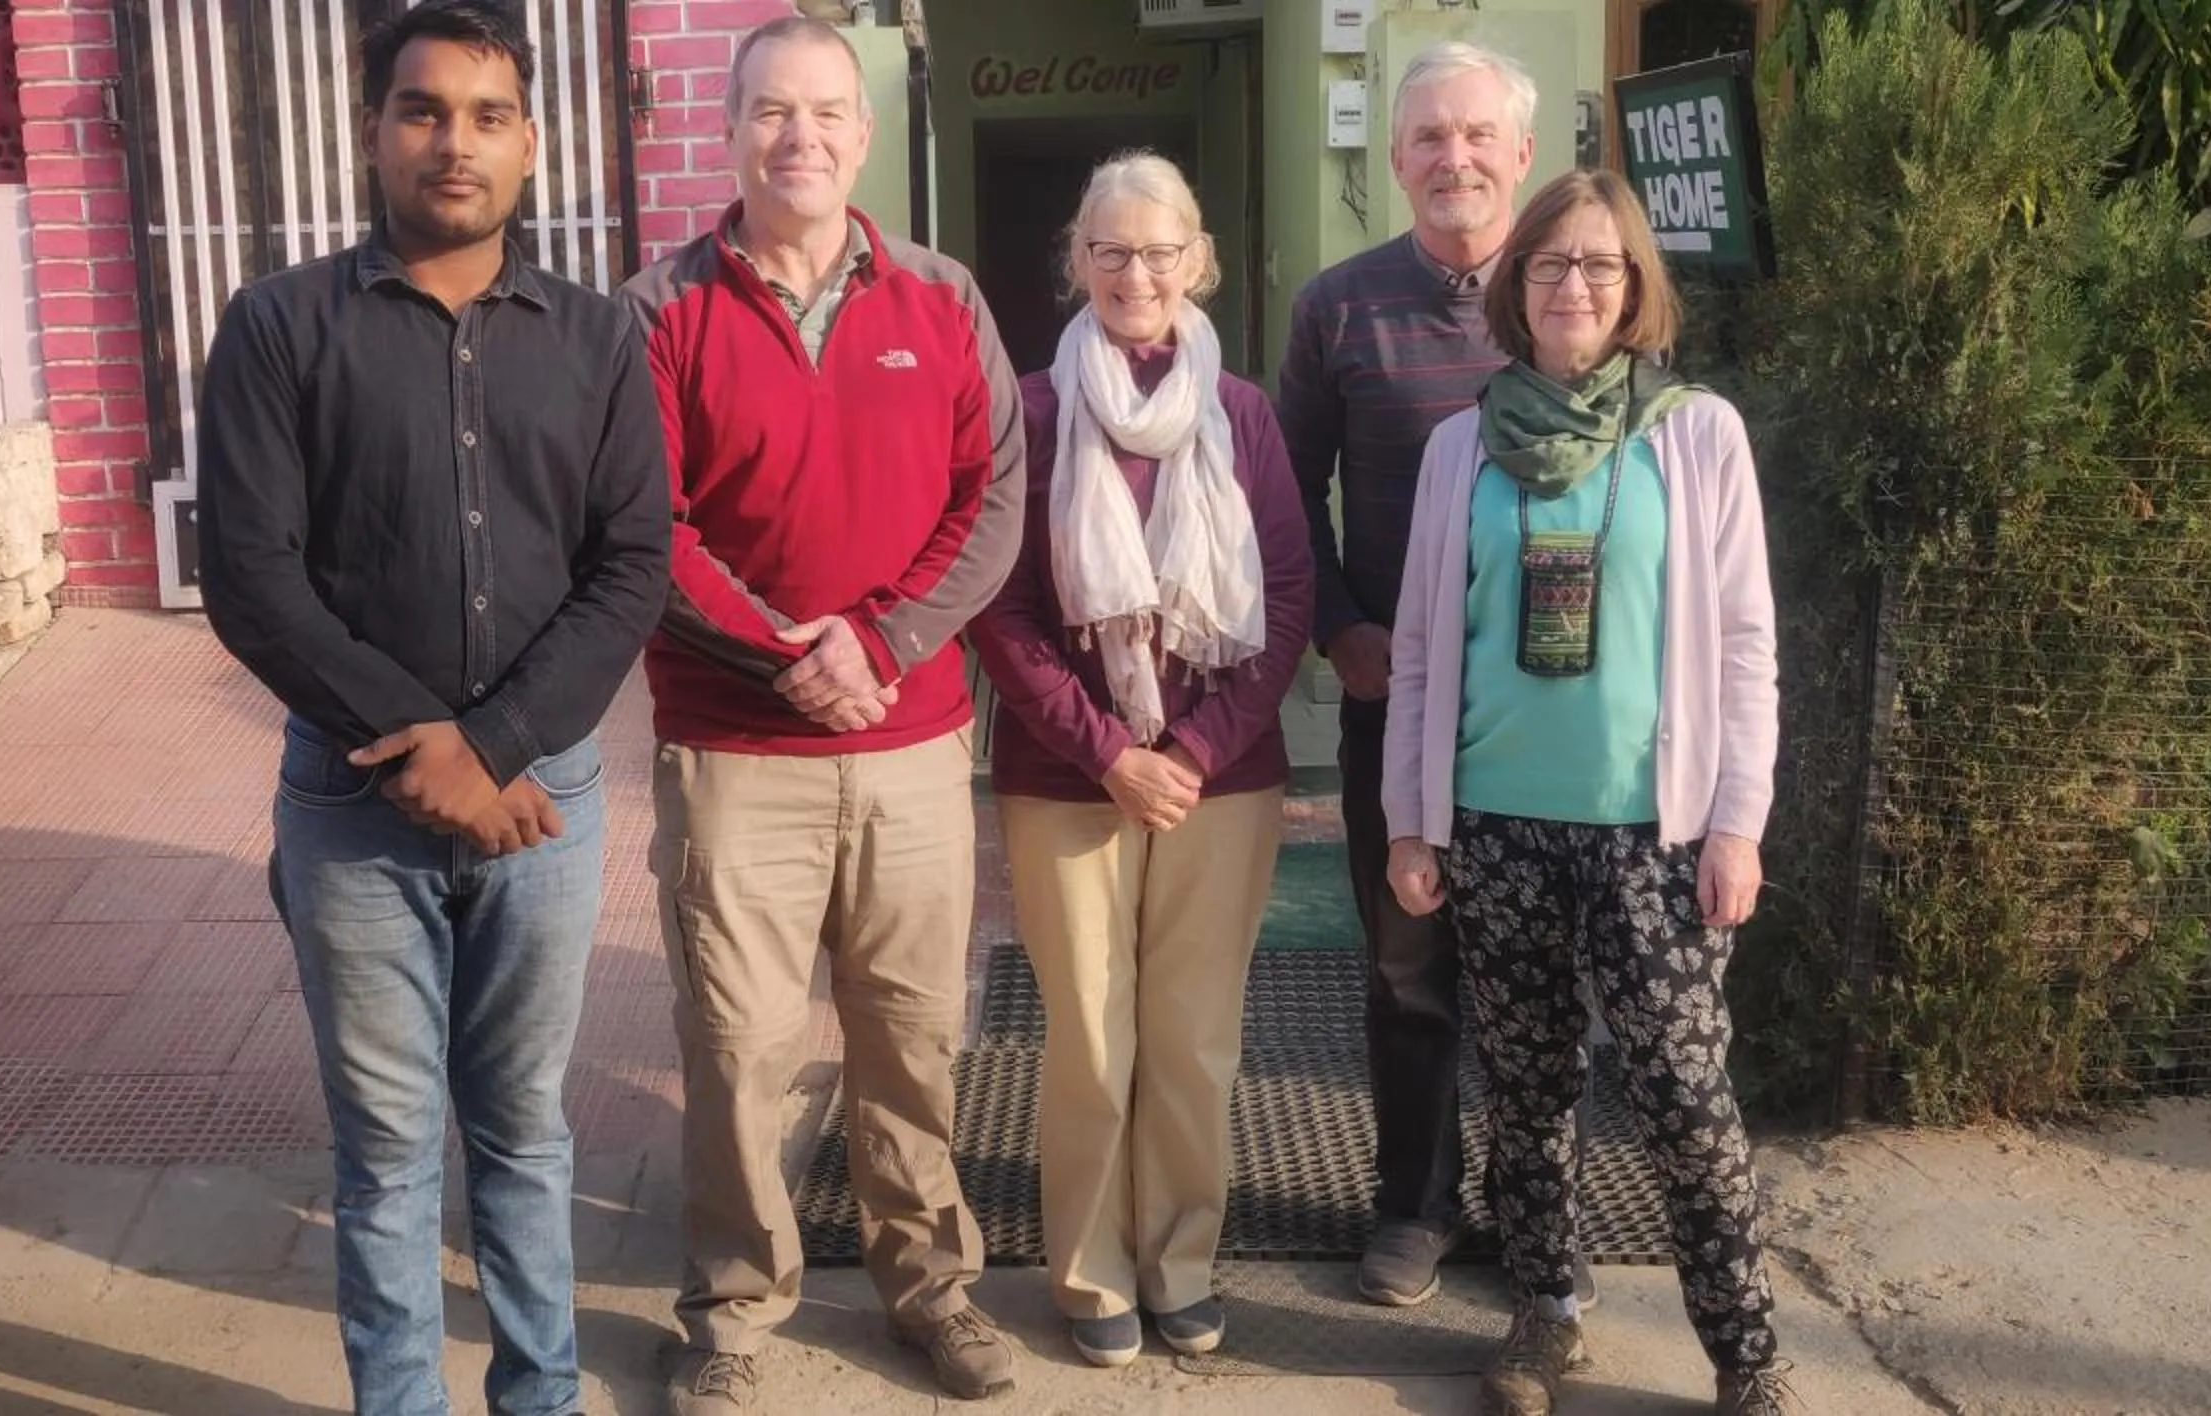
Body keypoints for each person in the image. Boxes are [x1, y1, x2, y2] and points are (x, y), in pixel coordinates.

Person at [192, 4, 671, 1413]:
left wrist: (499, 746)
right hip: (352, 806)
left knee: (524, 1130)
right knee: (388, 1145)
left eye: (485, 114)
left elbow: (631, 561)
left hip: (546, 804)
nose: (451, 141)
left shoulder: (594, 338)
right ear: (371, 130)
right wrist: (429, 754)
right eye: (421, 109)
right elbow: (251, 576)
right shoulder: (280, 327)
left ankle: (542, 1395)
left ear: (530, 144)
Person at [616, 15, 1027, 1413]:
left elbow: (993, 498)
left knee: (908, 1030)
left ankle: (931, 1288)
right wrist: (782, 654)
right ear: (728, 131)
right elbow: (641, 524)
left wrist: (885, 636)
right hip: (735, 750)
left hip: (911, 742)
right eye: (769, 113)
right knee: (738, 1045)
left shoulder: (942, 296)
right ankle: (732, 1313)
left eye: (825, 114)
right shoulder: (658, 306)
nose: (798, 138)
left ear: (864, 133)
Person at [1380, 168, 1795, 1416]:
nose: (1575, 286)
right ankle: (1545, 1314)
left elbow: (1745, 642)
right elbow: (1415, 648)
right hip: (1499, 828)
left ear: (1634, 293)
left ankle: (1749, 1356)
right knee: (1528, 1088)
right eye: (1552, 264)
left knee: (1683, 1096)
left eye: (1601, 267)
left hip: (1653, 841)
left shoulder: (1696, 433)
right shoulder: (1461, 445)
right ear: (1519, 287)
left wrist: (1738, 821)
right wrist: (1413, 817)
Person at [965, 152, 1313, 1369]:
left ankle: (1180, 1261)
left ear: (1198, 262)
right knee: (1092, 1037)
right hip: (1069, 778)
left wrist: (1198, 750)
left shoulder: (1246, 416)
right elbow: (1000, 612)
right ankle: (1091, 1271)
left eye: (1160, 251)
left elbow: (1287, 593)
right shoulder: (1032, 410)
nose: (1136, 273)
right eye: (1109, 250)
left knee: (1192, 1035)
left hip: (1226, 778)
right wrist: (1114, 751)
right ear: (1076, 263)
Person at [1275, 39, 1537, 1308]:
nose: (1455, 158)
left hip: (1553, 714)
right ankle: (1414, 1208)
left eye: (1478, 135)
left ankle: (1536, 1211)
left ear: (1524, 155)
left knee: (1542, 968)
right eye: (1429, 137)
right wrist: (1339, 628)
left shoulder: (1570, 298)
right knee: (1408, 961)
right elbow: (1283, 492)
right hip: (1403, 703)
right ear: (1395, 160)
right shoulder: (1339, 305)